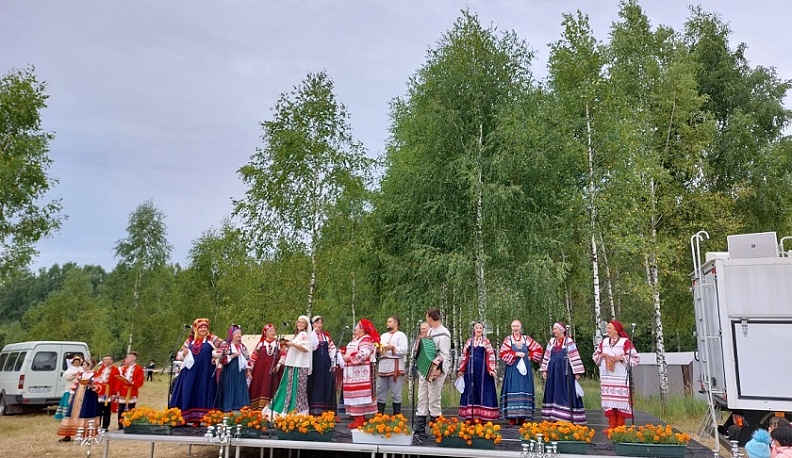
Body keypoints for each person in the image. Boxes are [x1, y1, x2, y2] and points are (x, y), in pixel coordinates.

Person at [169, 318, 225, 424]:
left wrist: (215, 355)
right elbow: (178, 355)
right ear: (196, 329)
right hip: (190, 371)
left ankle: (203, 418)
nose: (203, 329)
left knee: (203, 391)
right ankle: (185, 418)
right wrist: (184, 353)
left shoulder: (212, 338)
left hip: (205, 371)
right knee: (188, 389)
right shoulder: (189, 341)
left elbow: (225, 346)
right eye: (201, 327)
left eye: (205, 327)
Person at [593, 320, 640, 433]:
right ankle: (612, 424)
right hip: (607, 377)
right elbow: (595, 356)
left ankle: (620, 426)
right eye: (607, 328)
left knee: (620, 402)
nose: (607, 330)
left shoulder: (625, 342)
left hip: (621, 377)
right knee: (609, 401)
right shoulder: (604, 342)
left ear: (616, 330)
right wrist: (602, 356)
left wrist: (621, 358)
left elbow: (636, 359)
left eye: (609, 328)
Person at [265, 315, 314, 417]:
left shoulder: (304, 334)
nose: (299, 324)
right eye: (298, 322)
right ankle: (288, 409)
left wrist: (292, 344)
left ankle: (294, 411)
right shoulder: (297, 335)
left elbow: (306, 348)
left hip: (299, 365)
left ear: (306, 325)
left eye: (302, 323)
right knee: (289, 387)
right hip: (293, 363)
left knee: (296, 389)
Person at [414, 307, 451, 438]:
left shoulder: (443, 333)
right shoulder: (430, 331)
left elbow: (445, 354)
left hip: (436, 369)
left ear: (430, 317)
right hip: (426, 369)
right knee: (422, 396)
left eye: (426, 316)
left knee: (434, 398)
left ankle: (437, 429)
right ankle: (420, 428)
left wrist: (440, 369)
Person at [540, 322, 586, 424]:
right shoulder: (552, 341)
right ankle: (553, 416)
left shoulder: (568, 341)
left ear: (562, 330)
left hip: (565, 371)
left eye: (555, 329)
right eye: (553, 329)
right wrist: (545, 370)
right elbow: (547, 356)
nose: (554, 331)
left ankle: (565, 417)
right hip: (553, 371)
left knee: (565, 391)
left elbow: (574, 356)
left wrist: (577, 372)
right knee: (553, 391)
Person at [499, 320, 544, 424]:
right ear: (511, 328)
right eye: (513, 326)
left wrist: (530, 356)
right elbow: (502, 353)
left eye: (517, 326)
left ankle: (523, 416)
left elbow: (538, 349)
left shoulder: (526, 339)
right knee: (512, 388)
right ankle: (512, 417)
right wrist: (515, 354)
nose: (515, 328)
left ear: (520, 327)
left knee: (524, 388)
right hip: (512, 368)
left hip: (525, 369)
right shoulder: (508, 340)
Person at [457, 322, 498, 421]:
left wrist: (491, 369)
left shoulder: (486, 342)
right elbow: (464, 356)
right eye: (477, 328)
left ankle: (483, 416)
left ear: (482, 330)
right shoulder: (469, 341)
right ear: (474, 330)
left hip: (482, 370)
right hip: (470, 370)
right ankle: (470, 415)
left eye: (480, 328)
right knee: (471, 390)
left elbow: (491, 355)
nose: (478, 330)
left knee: (482, 390)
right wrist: (462, 369)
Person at [342, 318, 380, 428]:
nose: (355, 329)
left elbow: (364, 354)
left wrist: (349, 357)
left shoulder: (366, 340)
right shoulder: (356, 340)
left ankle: (360, 418)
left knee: (360, 395)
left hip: (362, 373)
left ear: (363, 329)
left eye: (357, 327)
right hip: (352, 373)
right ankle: (357, 417)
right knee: (354, 394)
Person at [57, 358, 103, 442]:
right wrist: (71, 395)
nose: (83, 366)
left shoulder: (96, 374)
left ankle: (86, 434)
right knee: (73, 413)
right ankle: (68, 435)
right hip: (78, 396)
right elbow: (75, 385)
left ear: (90, 365)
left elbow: (100, 386)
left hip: (89, 396)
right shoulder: (81, 374)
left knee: (85, 413)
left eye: (84, 364)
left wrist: (92, 386)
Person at [376, 315, 408, 415]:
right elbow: (379, 350)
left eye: (390, 322)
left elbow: (404, 350)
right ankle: (379, 415)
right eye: (387, 321)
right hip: (383, 367)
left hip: (395, 367)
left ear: (395, 323)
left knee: (396, 392)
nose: (387, 323)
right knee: (380, 391)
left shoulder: (401, 335)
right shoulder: (383, 336)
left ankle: (397, 416)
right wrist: (378, 350)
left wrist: (392, 348)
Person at [248, 323, 284, 410]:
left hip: (274, 370)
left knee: (273, 386)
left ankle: (271, 407)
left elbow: (283, 354)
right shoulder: (261, 344)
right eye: (270, 331)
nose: (272, 333)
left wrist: (279, 364)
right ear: (265, 333)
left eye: (274, 331)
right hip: (261, 370)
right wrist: (249, 370)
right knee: (259, 385)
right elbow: (253, 357)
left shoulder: (278, 344)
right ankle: (258, 407)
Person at [217, 324, 252, 411]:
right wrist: (233, 356)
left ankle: (240, 407)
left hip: (240, 372)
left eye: (240, 333)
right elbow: (221, 360)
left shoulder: (242, 347)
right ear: (232, 335)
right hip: (229, 371)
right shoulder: (226, 346)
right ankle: (228, 407)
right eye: (237, 333)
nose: (239, 335)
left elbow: (247, 359)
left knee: (239, 388)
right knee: (229, 388)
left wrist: (248, 371)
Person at [307, 316, 338, 414]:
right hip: (314, 364)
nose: (319, 325)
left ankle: (328, 408)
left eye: (320, 323)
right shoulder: (309, 336)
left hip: (325, 364)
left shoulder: (326, 337)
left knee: (327, 383)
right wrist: (313, 334)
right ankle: (314, 408)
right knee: (315, 383)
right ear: (312, 325)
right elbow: (312, 347)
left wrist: (333, 362)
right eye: (316, 323)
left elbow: (332, 349)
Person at [115, 351, 145, 429]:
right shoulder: (125, 368)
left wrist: (132, 382)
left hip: (132, 391)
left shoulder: (138, 369)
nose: (127, 358)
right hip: (123, 391)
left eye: (129, 357)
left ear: (134, 358)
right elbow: (121, 380)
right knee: (121, 409)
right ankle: (120, 425)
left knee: (131, 409)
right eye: (127, 357)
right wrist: (118, 390)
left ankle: (132, 425)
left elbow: (140, 381)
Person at [94, 354, 120, 430]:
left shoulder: (115, 370)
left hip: (108, 392)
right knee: (98, 410)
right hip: (99, 392)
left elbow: (117, 382)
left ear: (111, 360)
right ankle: (97, 425)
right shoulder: (101, 369)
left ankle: (105, 426)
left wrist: (114, 393)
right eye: (104, 359)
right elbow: (96, 378)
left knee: (106, 410)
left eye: (106, 359)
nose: (104, 361)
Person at [54, 356, 83, 421]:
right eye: (75, 362)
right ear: (72, 363)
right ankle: (66, 415)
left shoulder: (81, 369)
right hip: (70, 388)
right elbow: (67, 377)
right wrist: (75, 375)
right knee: (68, 401)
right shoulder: (70, 370)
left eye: (78, 362)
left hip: (79, 388)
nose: (77, 363)